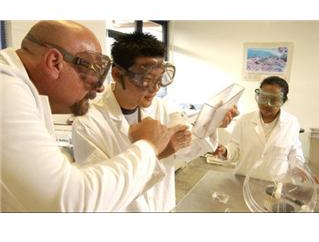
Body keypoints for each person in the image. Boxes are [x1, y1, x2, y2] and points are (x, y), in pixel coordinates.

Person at [0, 20, 183, 212]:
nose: (99, 87)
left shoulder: (23, 89)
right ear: (54, 62)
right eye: (90, 70)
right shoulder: (6, 89)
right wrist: (148, 146)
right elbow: (70, 203)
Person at [72, 32, 238, 212]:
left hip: (163, 207)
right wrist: (157, 152)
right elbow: (103, 192)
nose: (155, 89)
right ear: (117, 74)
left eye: (159, 80)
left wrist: (211, 123)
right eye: (146, 80)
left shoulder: (163, 108)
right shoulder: (87, 123)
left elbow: (189, 147)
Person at [214, 76, 308, 179]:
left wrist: (300, 168)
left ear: (283, 101)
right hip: (244, 179)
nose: (267, 105)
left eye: (274, 100)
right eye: (263, 98)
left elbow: (294, 151)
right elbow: (234, 148)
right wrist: (225, 151)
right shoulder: (244, 120)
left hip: (274, 184)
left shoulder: (291, 122)